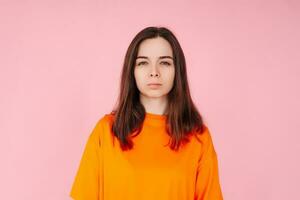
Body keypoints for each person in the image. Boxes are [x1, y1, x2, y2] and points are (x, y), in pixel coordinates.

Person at [69, 26, 223, 200]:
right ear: (132, 71)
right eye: (143, 62)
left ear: (177, 70)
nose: (154, 72)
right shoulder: (106, 131)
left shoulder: (199, 137)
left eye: (164, 62)